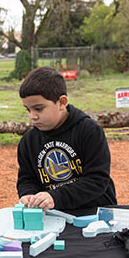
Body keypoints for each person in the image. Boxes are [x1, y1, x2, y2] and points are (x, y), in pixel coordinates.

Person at [17, 67, 116, 210]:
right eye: (28, 109)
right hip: (54, 216)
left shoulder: (89, 131)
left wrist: (56, 197)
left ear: (62, 103)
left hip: (95, 212)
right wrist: (29, 194)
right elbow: (27, 179)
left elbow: (97, 180)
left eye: (38, 108)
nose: (32, 116)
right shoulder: (28, 141)